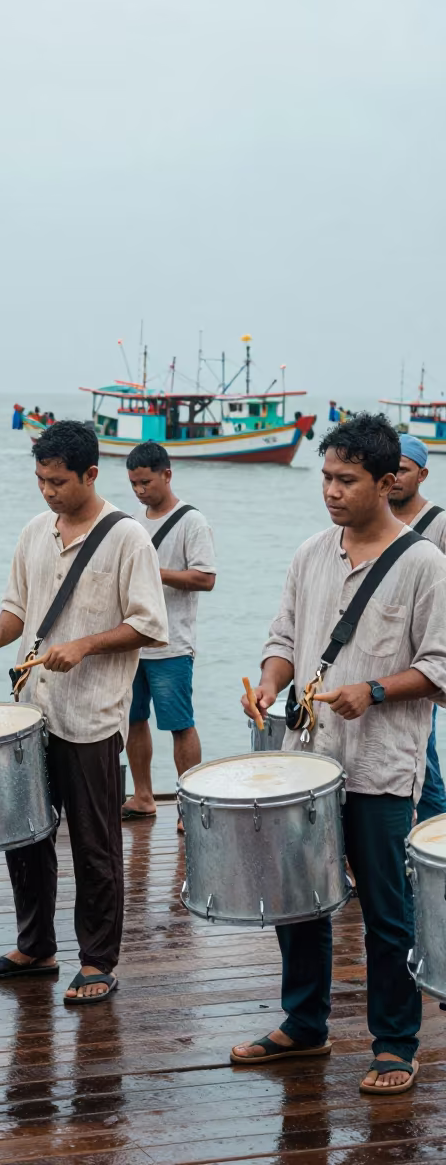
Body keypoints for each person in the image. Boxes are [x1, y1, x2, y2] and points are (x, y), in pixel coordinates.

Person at [235, 414, 446, 1094]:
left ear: (387, 483)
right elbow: (284, 634)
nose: (329, 490)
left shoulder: (425, 565)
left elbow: (441, 666)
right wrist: (269, 683)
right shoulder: (309, 554)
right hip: (306, 759)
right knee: (297, 900)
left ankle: (395, 1043)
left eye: (346, 480)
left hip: (382, 767)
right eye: (326, 476)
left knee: (387, 913)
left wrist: (375, 691)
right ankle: (305, 1025)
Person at [0, 420, 167, 1003]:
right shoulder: (34, 531)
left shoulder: (129, 538)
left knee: (94, 842)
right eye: (40, 480)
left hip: (92, 716)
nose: (48, 491)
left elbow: (150, 625)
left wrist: (85, 645)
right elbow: (17, 607)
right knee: (25, 836)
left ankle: (99, 960)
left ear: (91, 475)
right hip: (34, 712)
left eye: (58, 481)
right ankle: (35, 947)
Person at [121, 442, 216, 824]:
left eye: (146, 482)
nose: (141, 490)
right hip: (131, 642)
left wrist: (152, 571)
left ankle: (189, 806)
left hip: (171, 644)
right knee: (132, 720)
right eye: (133, 484)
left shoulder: (192, 521)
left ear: (167, 474)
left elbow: (205, 578)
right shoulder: (131, 521)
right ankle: (142, 796)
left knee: (180, 724)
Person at [389, 433, 446, 822]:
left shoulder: (439, 524)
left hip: (424, 657)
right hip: (383, 652)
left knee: (421, 754)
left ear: (422, 474)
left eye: (404, 471)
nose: (394, 478)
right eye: (389, 470)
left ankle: (434, 842)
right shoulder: (374, 520)